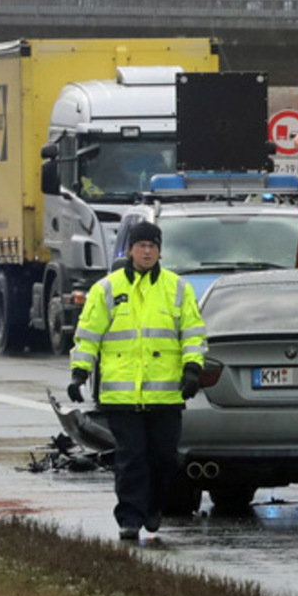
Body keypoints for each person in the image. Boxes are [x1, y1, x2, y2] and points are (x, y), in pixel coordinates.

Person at [67, 221, 207, 540]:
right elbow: (88, 335)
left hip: (166, 394)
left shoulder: (178, 288)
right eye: (141, 245)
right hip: (121, 395)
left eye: (152, 246)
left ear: (159, 251)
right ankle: (130, 517)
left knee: (163, 456)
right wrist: (79, 372)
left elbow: (194, 333)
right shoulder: (107, 289)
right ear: (130, 249)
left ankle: (154, 508)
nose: (147, 251)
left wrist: (192, 369)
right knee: (132, 458)